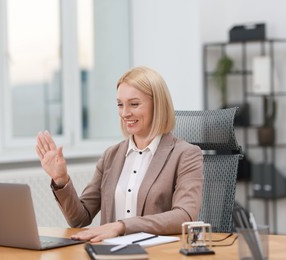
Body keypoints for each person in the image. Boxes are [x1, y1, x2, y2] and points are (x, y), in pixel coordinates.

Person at [35, 66, 204, 243]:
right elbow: (79, 219)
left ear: (158, 105)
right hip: (109, 254)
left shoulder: (186, 155)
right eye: (120, 104)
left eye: (134, 104)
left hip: (156, 254)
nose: (124, 113)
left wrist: (121, 226)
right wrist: (61, 179)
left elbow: (184, 216)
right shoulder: (111, 156)